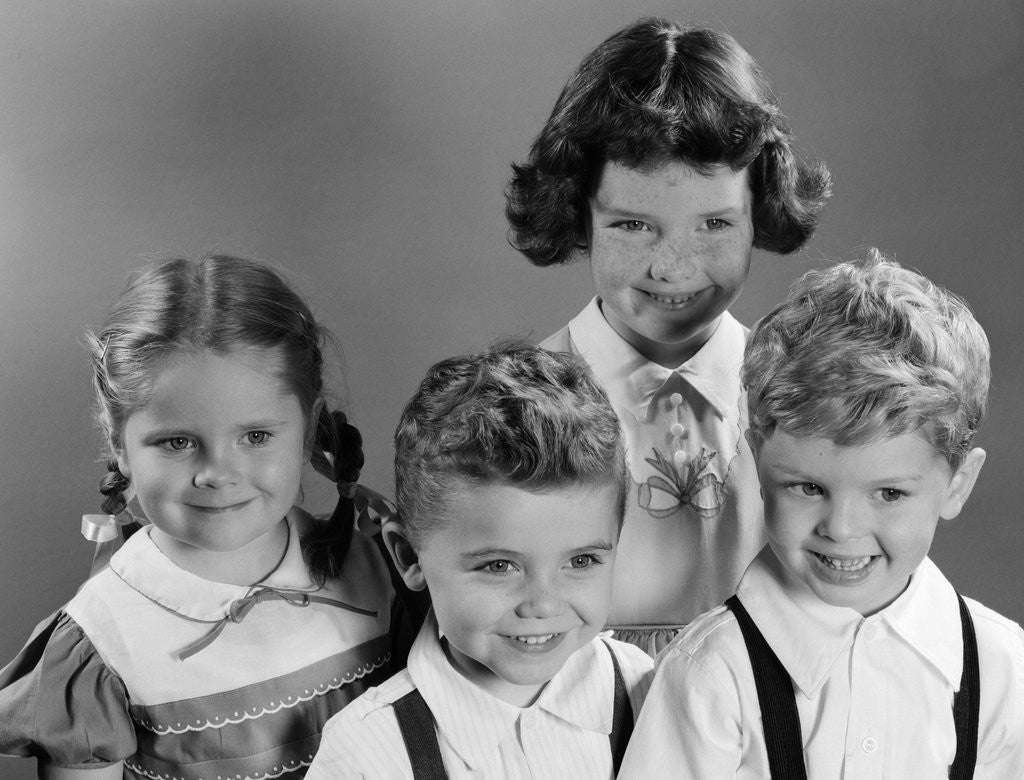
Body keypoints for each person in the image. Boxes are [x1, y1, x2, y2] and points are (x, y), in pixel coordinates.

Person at [619, 255, 1024, 777]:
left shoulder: (1002, 668)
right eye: (808, 487)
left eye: (890, 494)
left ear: (957, 485)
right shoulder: (713, 670)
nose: (841, 528)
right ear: (758, 465)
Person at [505, 17, 833, 654]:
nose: (673, 267)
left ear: (757, 210)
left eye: (713, 224)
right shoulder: (516, 408)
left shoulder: (807, 397)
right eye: (633, 225)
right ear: (579, 213)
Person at [0, 255, 396, 779]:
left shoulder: (376, 567)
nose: (217, 474)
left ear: (309, 427)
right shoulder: (102, 641)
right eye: (178, 442)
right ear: (119, 444)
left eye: (255, 437)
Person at [308, 343, 653, 779]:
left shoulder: (650, 690)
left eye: (582, 560)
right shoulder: (367, 752)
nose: (543, 605)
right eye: (499, 566)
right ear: (408, 556)